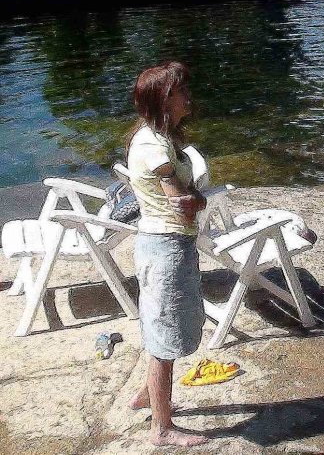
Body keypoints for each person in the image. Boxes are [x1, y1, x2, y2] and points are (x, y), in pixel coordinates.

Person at [125, 61, 209, 447]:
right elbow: (182, 202)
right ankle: (162, 428)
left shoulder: (159, 137)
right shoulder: (153, 145)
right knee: (165, 336)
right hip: (166, 248)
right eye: (180, 90)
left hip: (163, 244)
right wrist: (200, 196)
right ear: (164, 98)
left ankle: (148, 395)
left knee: (160, 324)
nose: (188, 94)